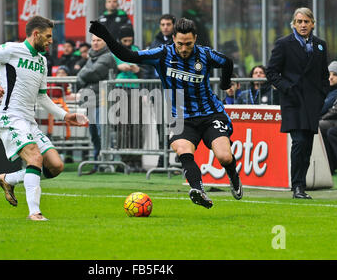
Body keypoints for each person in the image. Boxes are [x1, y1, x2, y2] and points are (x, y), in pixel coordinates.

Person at [89, 17, 243, 208]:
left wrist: (225, 83)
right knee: (183, 150)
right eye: (180, 44)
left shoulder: (205, 55)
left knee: (224, 157)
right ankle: (198, 190)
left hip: (211, 114)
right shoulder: (162, 54)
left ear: (195, 38)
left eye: (188, 44)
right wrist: (105, 34)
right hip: (181, 117)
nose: (184, 49)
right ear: (173, 40)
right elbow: (129, 55)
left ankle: (233, 175)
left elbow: (227, 62)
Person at [0, 15, 88, 221]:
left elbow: (42, 97)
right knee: (35, 158)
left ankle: (9, 179)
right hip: (10, 117)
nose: (51, 41)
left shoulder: (42, 61)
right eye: (48, 36)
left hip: (29, 121)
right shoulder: (10, 49)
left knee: (56, 166)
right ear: (36, 34)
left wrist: (66, 115)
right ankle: (35, 213)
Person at [266, 7, 329, 199]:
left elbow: (323, 75)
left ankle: (300, 184)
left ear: (313, 24)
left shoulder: (320, 45)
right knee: (299, 142)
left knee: (307, 145)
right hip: (293, 101)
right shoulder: (284, 44)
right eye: (299, 21)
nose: (303, 25)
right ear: (294, 23)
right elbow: (271, 72)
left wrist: (321, 95)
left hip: (311, 102)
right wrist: (287, 88)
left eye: (306, 22)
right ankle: (298, 186)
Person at [76, 34, 117, 175]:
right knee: (94, 133)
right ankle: (97, 162)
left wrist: (81, 77)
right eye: (93, 40)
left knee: (103, 132)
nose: (95, 43)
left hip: (103, 101)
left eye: (99, 40)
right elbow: (85, 74)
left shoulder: (107, 57)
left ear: (105, 42)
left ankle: (108, 162)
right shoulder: (92, 56)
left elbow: (92, 73)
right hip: (92, 101)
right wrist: (83, 77)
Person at [113, 25, 143, 172]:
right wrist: (119, 67)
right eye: (124, 40)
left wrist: (139, 70)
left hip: (135, 88)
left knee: (136, 126)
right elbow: (112, 65)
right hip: (120, 88)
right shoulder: (115, 49)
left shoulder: (137, 49)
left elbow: (144, 67)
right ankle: (125, 159)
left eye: (129, 40)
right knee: (122, 126)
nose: (127, 43)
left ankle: (137, 159)